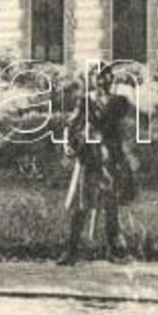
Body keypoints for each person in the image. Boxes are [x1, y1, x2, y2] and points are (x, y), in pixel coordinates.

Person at [58, 64, 136, 265]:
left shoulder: (120, 102)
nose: (104, 81)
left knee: (111, 205)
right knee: (82, 205)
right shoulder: (85, 101)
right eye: (99, 77)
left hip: (111, 157)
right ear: (91, 80)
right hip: (90, 157)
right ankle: (71, 250)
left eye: (108, 77)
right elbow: (72, 124)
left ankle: (115, 250)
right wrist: (68, 144)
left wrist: (128, 154)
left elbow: (126, 129)